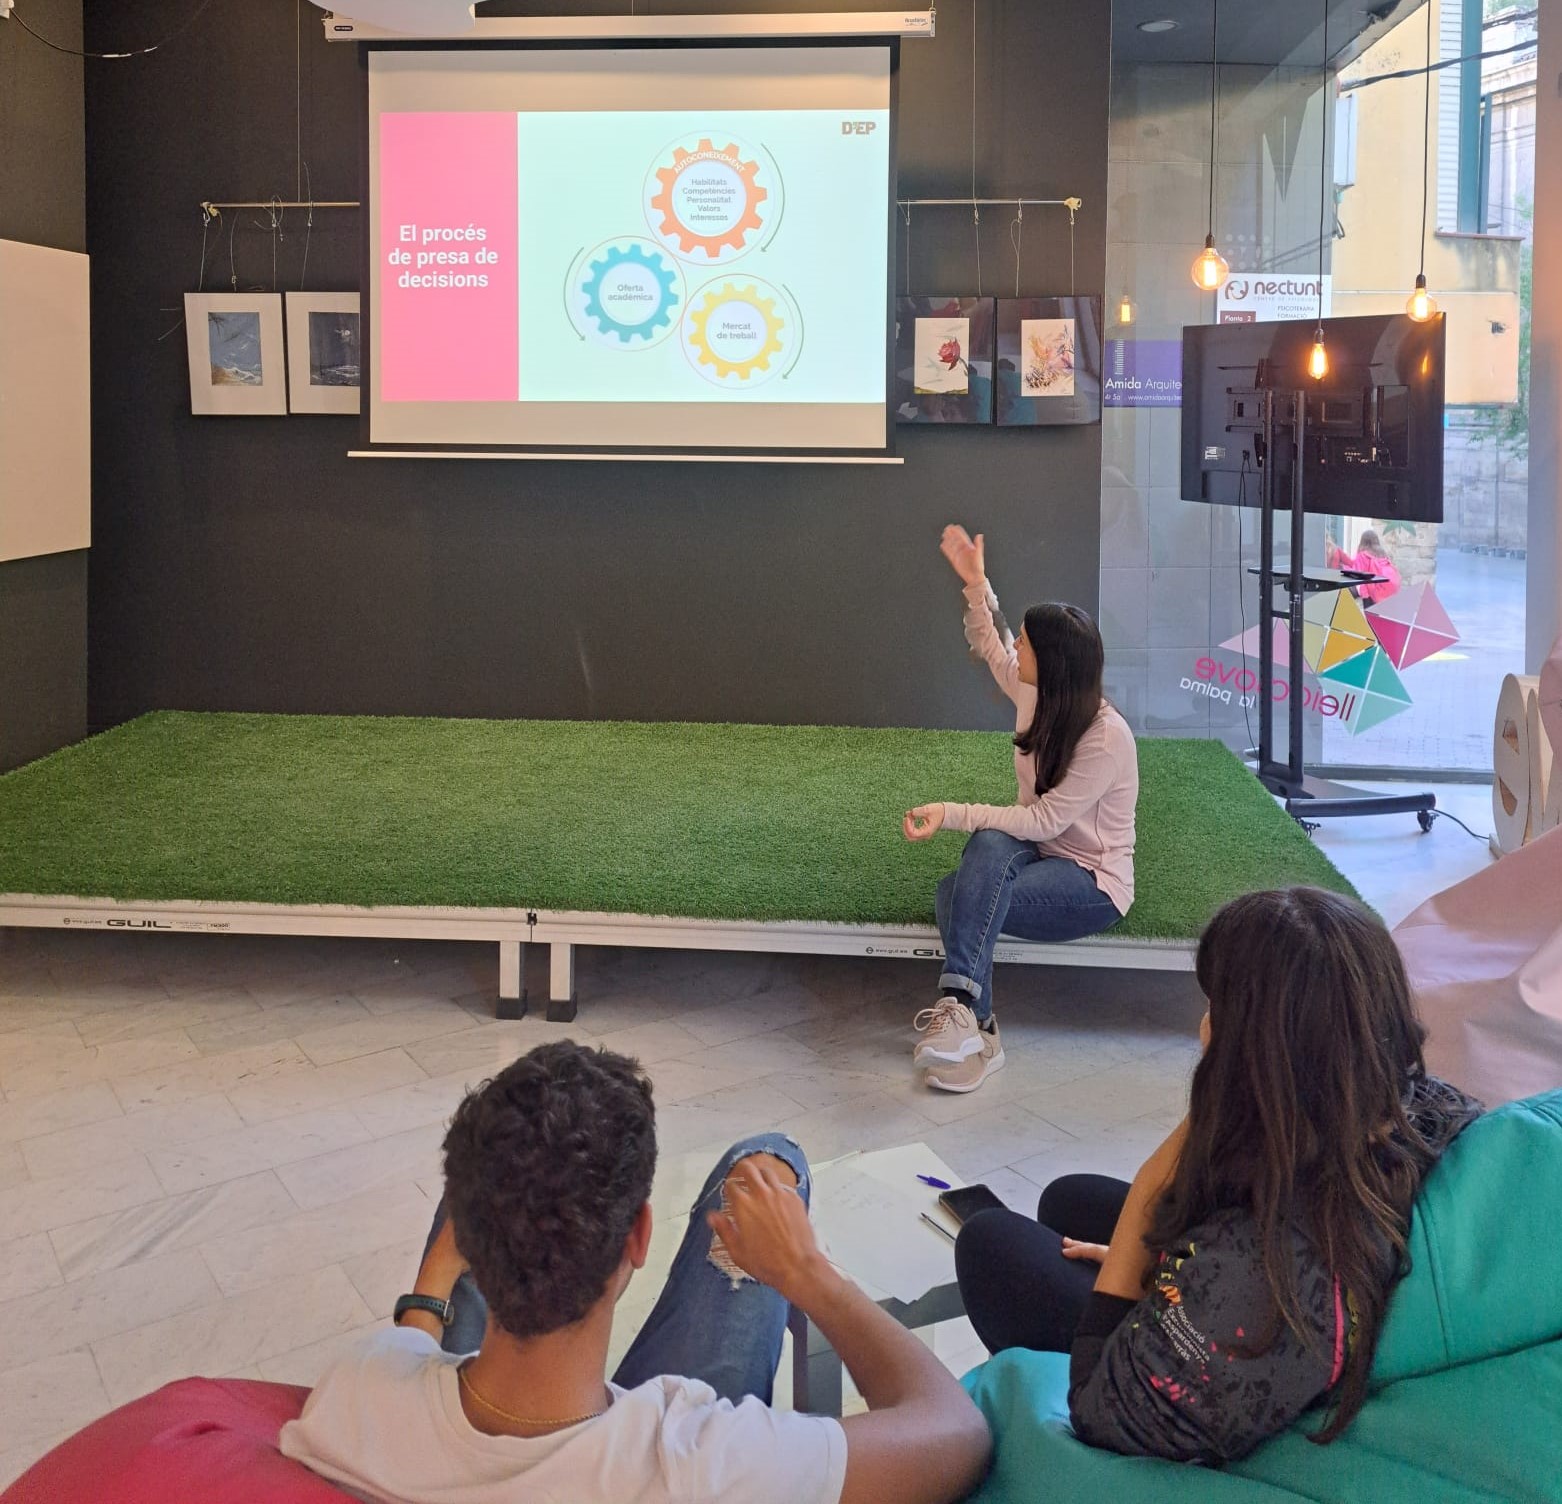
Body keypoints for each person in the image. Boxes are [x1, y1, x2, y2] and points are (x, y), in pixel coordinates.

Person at [280, 1040, 991, 1504]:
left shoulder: (357, 1392)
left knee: (512, 1167)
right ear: (639, 1237)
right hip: (632, 1460)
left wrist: (430, 1288)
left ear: (469, 1240)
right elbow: (956, 1434)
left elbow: (403, 1354)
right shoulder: (706, 1460)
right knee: (767, 1157)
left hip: (476, 1413)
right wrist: (809, 1275)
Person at [952, 887, 1482, 1464]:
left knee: (990, 1245)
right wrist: (1171, 1265)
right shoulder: (1409, 1105)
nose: (1204, 1025)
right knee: (1069, 1199)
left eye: (1218, 1011)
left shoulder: (1259, 1279)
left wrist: (1143, 1265)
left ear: (1259, 1054)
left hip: (1224, 1331)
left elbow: (1098, 1408)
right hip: (1303, 1265)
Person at [902, 524, 1138, 1094]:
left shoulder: (1107, 738)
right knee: (974, 863)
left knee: (957, 894)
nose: (1018, 651)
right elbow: (993, 642)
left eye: (1028, 645)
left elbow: (1043, 821)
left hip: (1091, 882)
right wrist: (976, 584)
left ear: (1052, 664)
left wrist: (950, 811)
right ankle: (973, 1024)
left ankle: (969, 1018)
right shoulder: (1039, 694)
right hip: (1038, 852)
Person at [1326, 527, 1401, 607]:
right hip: (1387, 588)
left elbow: (1357, 576)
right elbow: (1351, 563)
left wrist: (1343, 569)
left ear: (1363, 541)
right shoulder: (1383, 553)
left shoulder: (1363, 555)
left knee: (1369, 613)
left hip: (1372, 592)